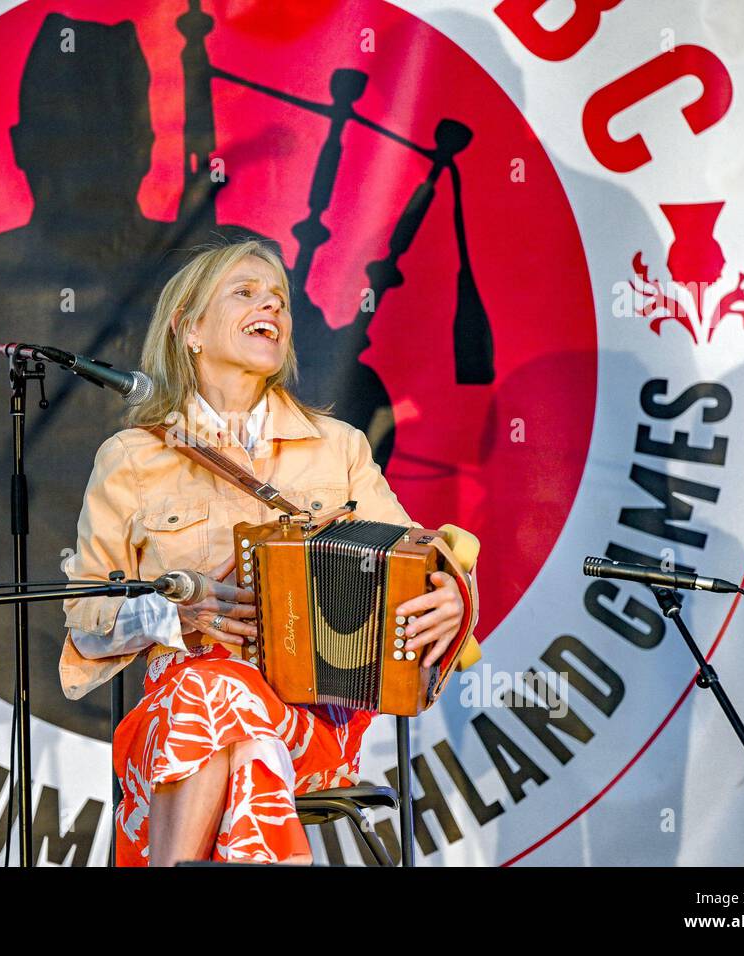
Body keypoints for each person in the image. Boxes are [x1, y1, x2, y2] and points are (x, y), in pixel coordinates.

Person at [59, 239, 478, 866]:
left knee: (219, 702)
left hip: (311, 723)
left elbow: (420, 558)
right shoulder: (131, 458)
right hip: (178, 718)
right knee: (214, 698)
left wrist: (452, 597)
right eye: (246, 292)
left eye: (278, 300)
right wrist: (175, 615)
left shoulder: (338, 447)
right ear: (190, 328)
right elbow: (86, 626)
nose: (271, 308)